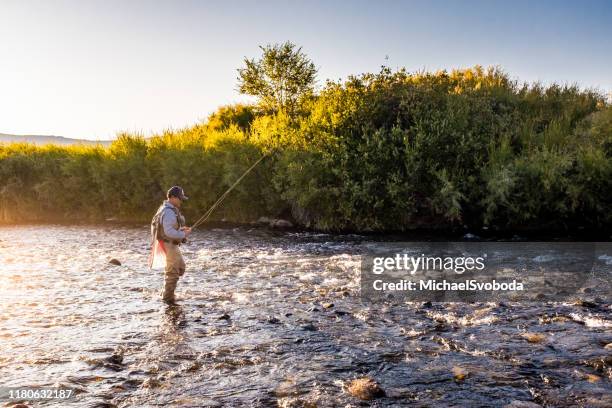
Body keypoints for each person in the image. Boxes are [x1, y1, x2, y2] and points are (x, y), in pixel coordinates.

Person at [150, 186, 192, 304]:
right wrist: (183, 234)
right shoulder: (168, 212)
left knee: (180, 268)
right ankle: (168, 299)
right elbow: (168, 232)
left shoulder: (166, 208)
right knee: (172, 273)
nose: (181, 201)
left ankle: (166, 291)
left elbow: (167, 228)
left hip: (171, 245)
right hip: (169, 246)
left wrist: (181, 229)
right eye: (180, 198)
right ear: (172, 197)